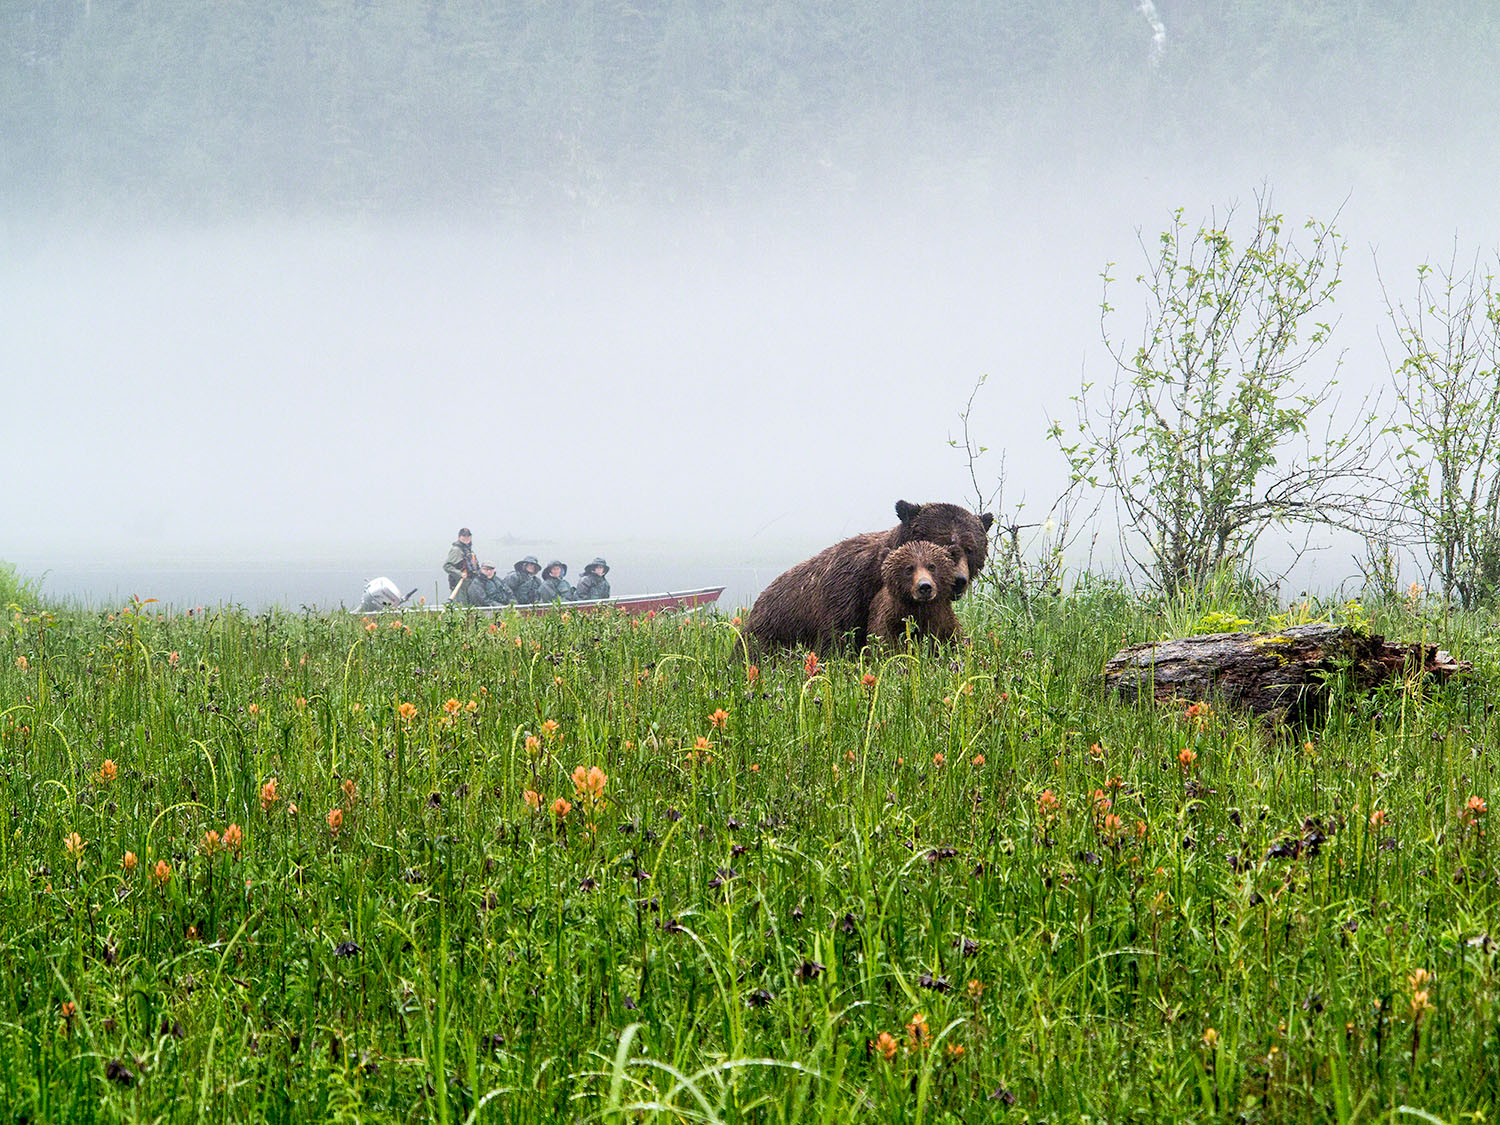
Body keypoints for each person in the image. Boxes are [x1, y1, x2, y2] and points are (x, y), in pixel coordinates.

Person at [444, 528, 478, 593]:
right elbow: (447, 566)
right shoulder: (456, 550)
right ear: (459, 537)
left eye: (468, 536)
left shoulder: (469, 550)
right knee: (461, 603)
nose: (466, 538)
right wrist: (460, 573)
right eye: (464, 536)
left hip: (469, 583)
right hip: (459, 585)